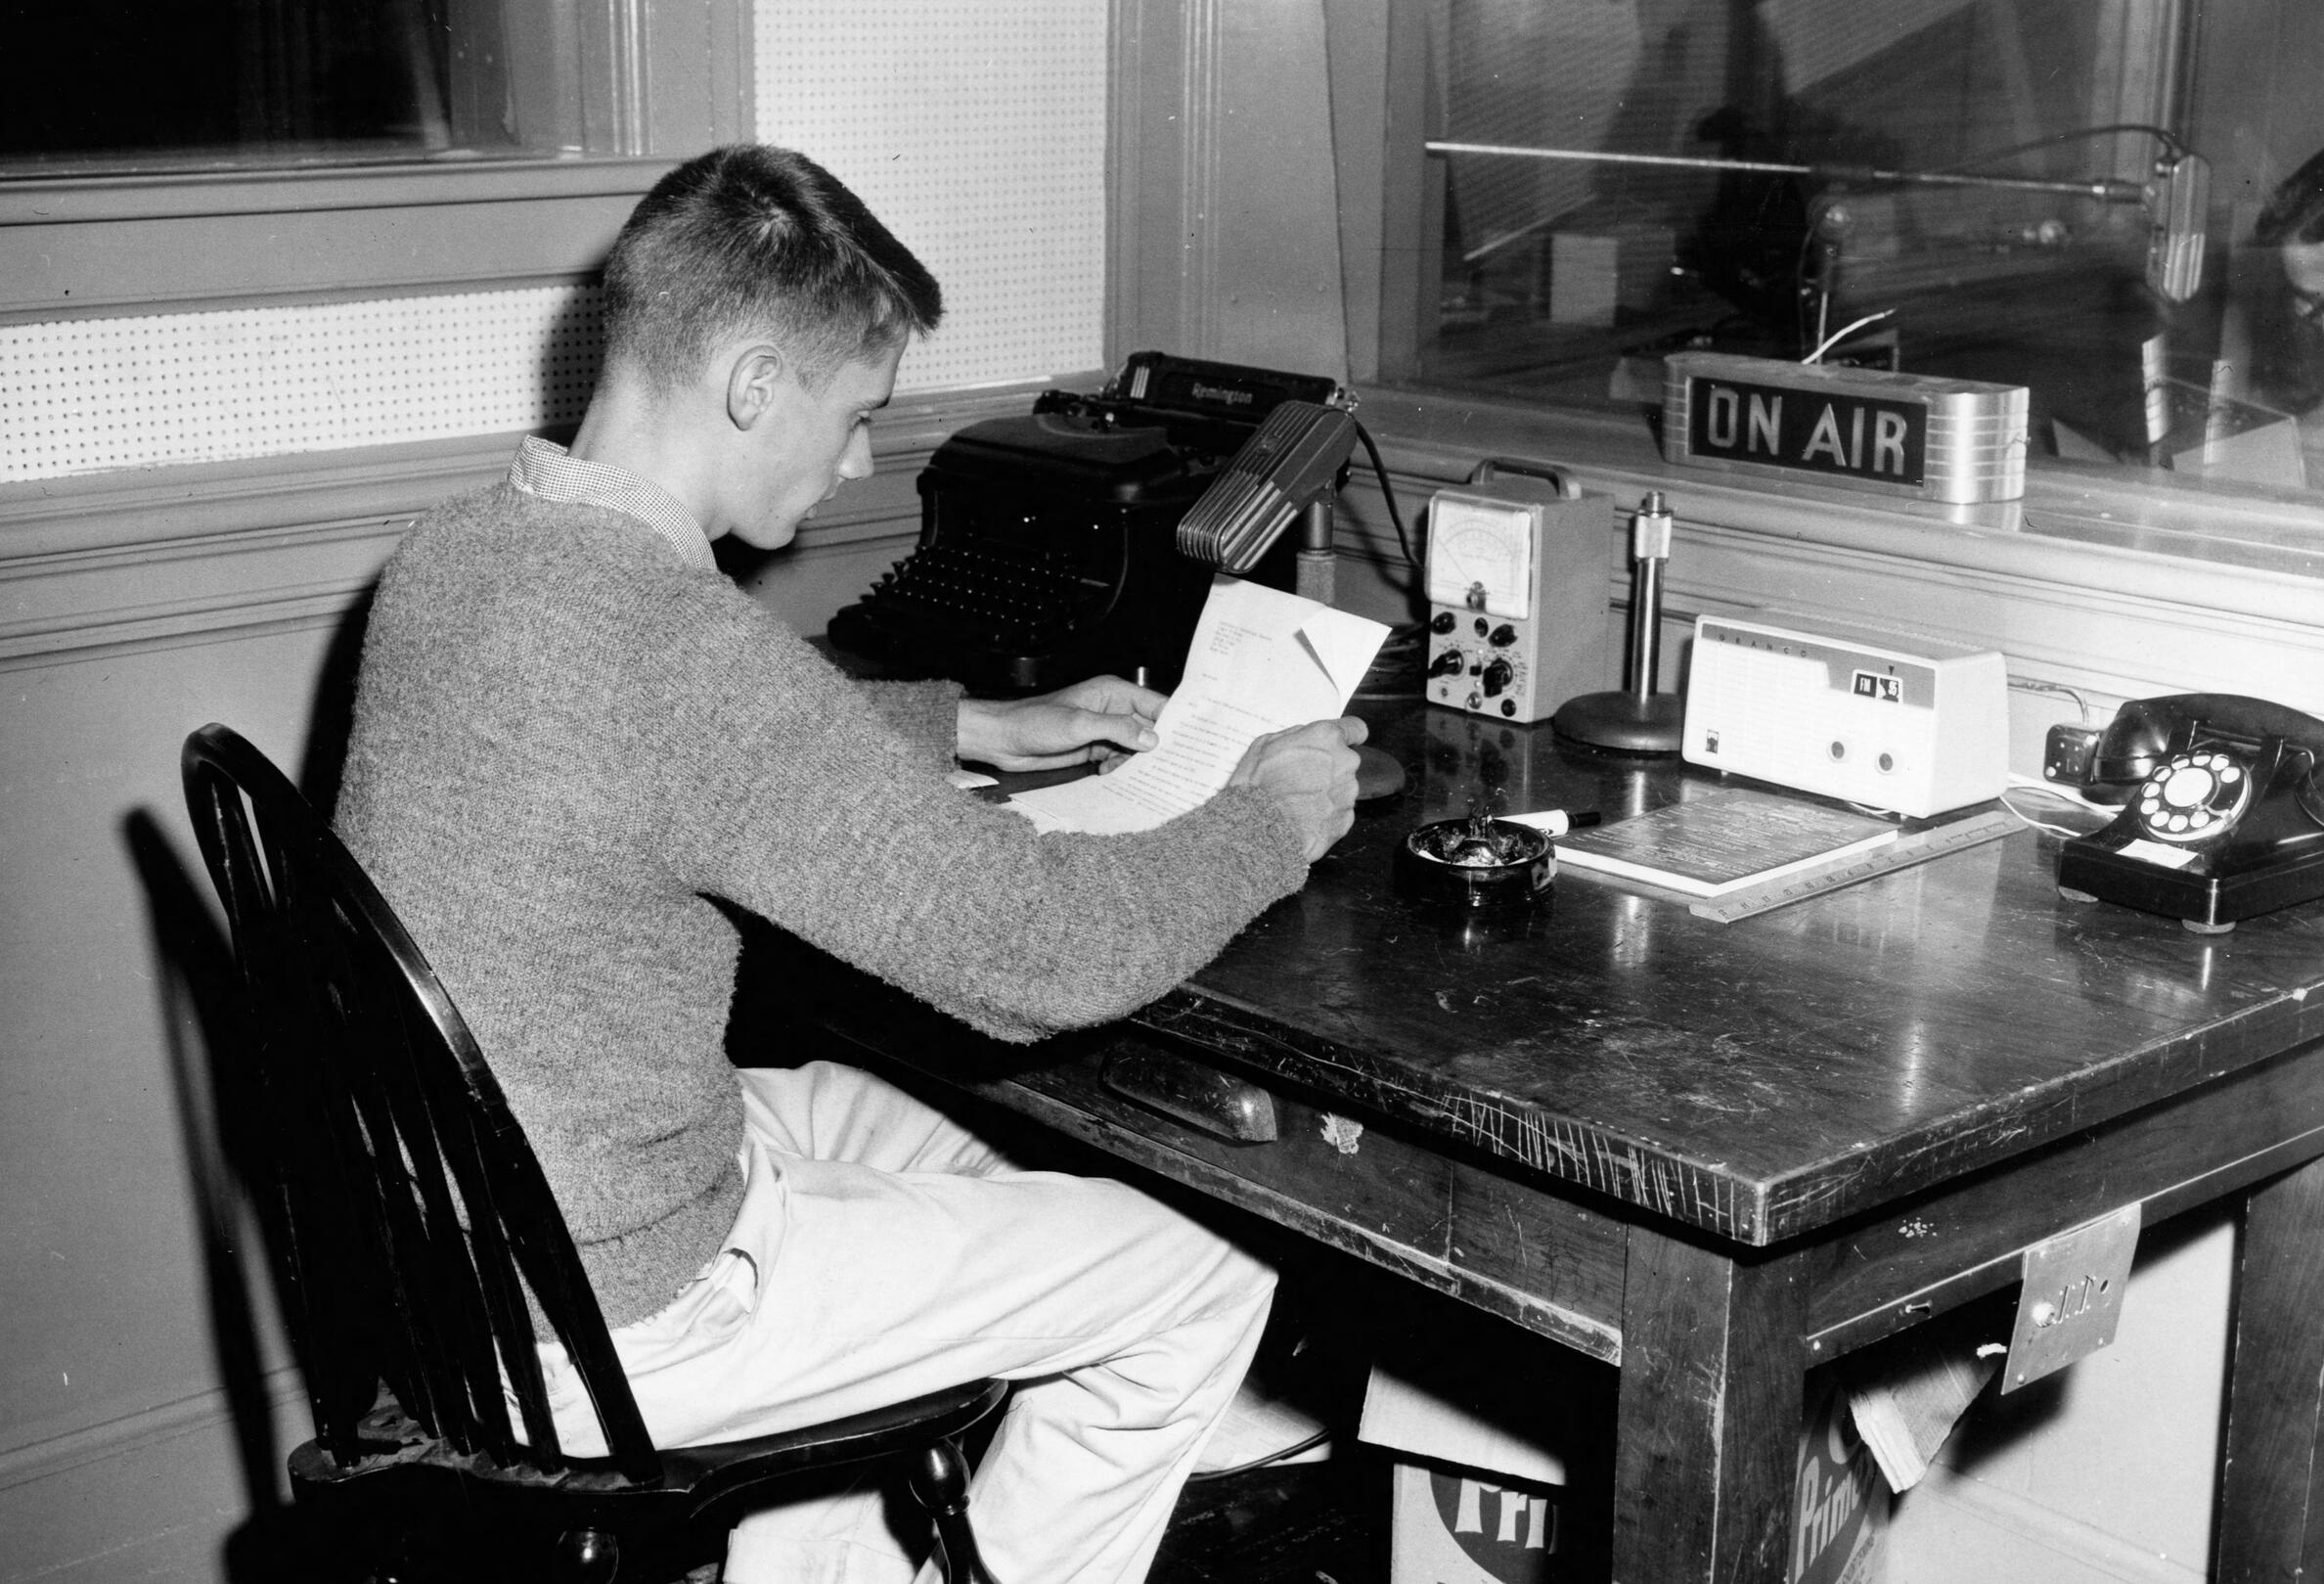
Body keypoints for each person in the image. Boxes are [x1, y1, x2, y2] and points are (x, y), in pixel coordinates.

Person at [332, 143, 1365, 1584]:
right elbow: (1042, 960)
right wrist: (1270, 821)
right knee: (1204, 1270)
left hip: (466, 1245)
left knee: (930, 1138)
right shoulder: (671, 648)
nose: (864, 461)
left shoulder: (462, 555)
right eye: (859, 412)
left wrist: (969, 722)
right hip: (614, 1311)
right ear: (755, 385)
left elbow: (662, 751)